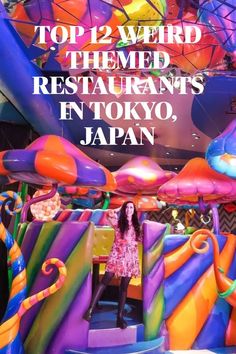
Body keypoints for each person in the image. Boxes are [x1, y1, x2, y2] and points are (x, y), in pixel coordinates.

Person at [83, 201, 142, 329]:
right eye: (127, 207)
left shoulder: (137, 226)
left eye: (131, 207)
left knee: (124, 287)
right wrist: (119, 207)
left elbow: (141, 239)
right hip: (117, 254)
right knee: (105, 279)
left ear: (134, 210)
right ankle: (90, 310)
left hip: (130, 257)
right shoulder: (118, 222)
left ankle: (119, 318)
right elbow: (109, 214)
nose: (129, 210)